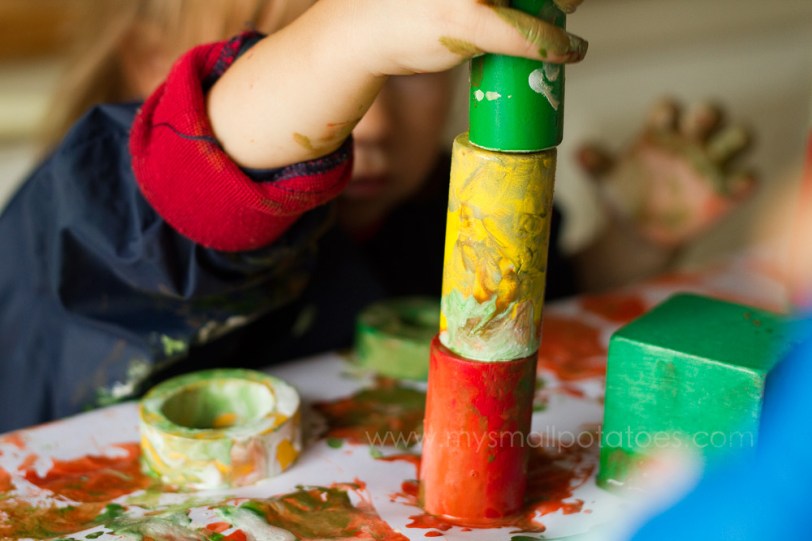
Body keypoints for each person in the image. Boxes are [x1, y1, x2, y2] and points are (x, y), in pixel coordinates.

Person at [0, 0, 753, 432]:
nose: (376, 124)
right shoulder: (87, 229)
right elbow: (179, 201)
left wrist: (628, 246)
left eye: (413, 68)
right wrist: (345, 40)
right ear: (148, 55)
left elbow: (526, 340)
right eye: (301, 50)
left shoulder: (438, 217)